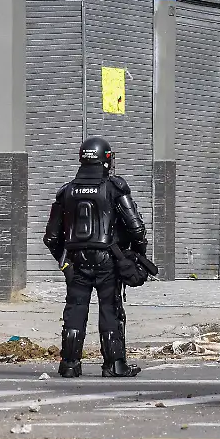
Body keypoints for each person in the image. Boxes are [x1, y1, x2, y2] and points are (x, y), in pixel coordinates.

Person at [44, 137, 148, 378]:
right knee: (110, 310)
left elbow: (51, 238)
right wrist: (135, 256)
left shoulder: (66, 191)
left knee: (75, 310)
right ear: (107, 159)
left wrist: (65, 264)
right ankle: (115, 365)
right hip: (107, 261)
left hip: (75, 261)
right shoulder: (115, 188)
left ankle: (69, 365)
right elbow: (137, 229)